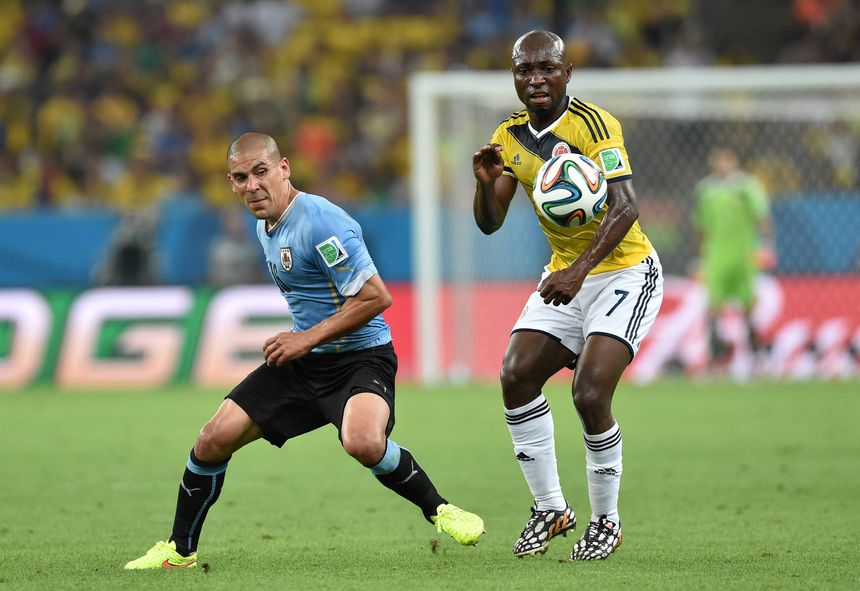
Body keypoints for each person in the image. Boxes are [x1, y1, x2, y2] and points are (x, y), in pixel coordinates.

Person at [125, 132, 484, 570]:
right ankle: (179, 551)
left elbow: (375, 297)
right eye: (241, 178)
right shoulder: (264, 225)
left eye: (261, 172)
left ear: (284, 168)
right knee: (211, 440)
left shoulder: (320, 222)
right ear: (231, 183)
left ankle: (441, 510)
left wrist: (304, 338)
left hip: (360, 358)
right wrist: (303, 342)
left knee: (364, 442)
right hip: (304, 363)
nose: (253, 185)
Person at [471, 31, 663, 561]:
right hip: (567, 275)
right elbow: (490, 224)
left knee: (589, 392)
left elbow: (625, 207)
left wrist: (579, 271)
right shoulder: (507, 136)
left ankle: (607, 521)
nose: (536, 79)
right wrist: (486, 184)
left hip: (624, 272)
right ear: (514, 76)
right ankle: (551, 507)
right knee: (516, 375)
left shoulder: (595, 125)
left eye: (547, 69)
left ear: (567, 72)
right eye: (525, 70)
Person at [693, 146, 772, 370]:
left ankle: (758, 360)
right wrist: (699, 257)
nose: (722, 165)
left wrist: (765, 246)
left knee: (748, 308)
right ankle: (714, 361)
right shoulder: (706, 190)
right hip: (716, 257)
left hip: (743, 257)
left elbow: (762, 217)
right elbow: (701, 226)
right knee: (713, 309)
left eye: (727, 160)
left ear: (735, 162)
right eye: (719, 160)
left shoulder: (747, 187)